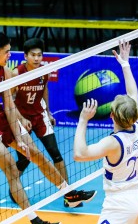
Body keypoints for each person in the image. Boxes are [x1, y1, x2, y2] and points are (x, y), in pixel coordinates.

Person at [0, 31, 95, 224]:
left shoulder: (5, 71)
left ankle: (69, 194)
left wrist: (19, 140)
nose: (10, 55)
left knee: (35, 152)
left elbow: (10, 107)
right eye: (7, 51)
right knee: (12, 170)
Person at [73, 41, 138, 224]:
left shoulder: (113, 143)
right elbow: (134, 94)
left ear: (111, 116)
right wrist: (125, 64)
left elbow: (80, 154)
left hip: (119, 206)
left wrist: (83, 120)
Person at [10, 38, 96, 207]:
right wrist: (21, 119)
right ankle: (14, 189)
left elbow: (45, 90)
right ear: (25, 56)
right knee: (25, 159)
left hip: (39, 116)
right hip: (22, 119)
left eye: (39, 55)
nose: (36, 58)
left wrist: (48, 112)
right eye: (33, 55)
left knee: (55, 153)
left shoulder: (44, 71)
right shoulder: (16, 73)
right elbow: (9, 100)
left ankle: (68, 195)